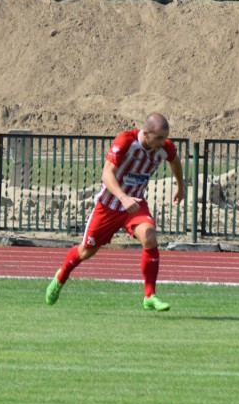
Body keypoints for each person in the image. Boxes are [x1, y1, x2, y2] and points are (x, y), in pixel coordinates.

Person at [45, 112, 185, 311]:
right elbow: (106, 173)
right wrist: (123, 198)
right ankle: (61, 276)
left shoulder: (166, 147)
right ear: (146, 133)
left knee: (150, 236)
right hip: (109, 205)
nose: (164, 142)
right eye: (160, 137)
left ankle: (150, 295)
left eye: (166, 137)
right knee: (86, 251)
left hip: (135, 204)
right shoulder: (126, 141)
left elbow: (175, 162)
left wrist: (181, 186)